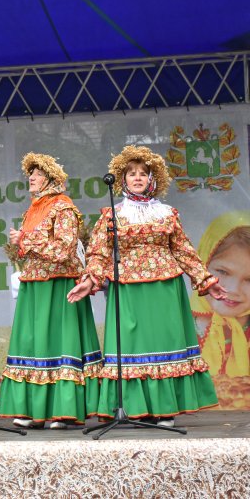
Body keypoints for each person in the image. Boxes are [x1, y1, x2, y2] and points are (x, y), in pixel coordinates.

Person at [67, 145, 226, 426]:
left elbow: (184, 251)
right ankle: (133, 406)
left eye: (143, 173)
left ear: (153, 179)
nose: (137, 178)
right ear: (123, 179)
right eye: (131, 174)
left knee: (164, 343)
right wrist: (89, 280)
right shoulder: (112, 215)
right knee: (132, 345)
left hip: (165, 288)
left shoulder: (166, 214)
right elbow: (98, 252)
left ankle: (165, 409)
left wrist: (206, 280)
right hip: (127, 288)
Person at [0, 154, 101, 429]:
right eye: (30, 172)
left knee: (59, 341)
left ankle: (62, 410)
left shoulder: (63, 207)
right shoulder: (33, 209)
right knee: (34, 342)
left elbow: (65, 248)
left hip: (59, 283)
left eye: (38, 172)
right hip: (35, 283)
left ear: (51, 178)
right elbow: (31, 249)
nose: (31, 176)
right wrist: (20, 242)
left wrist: (26, 240)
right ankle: (33, 410)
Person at [192, 211, 250, 409]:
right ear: (203, 264)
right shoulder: (180, 328)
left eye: (249, 280)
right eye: (223, 272)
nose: (233, 289)